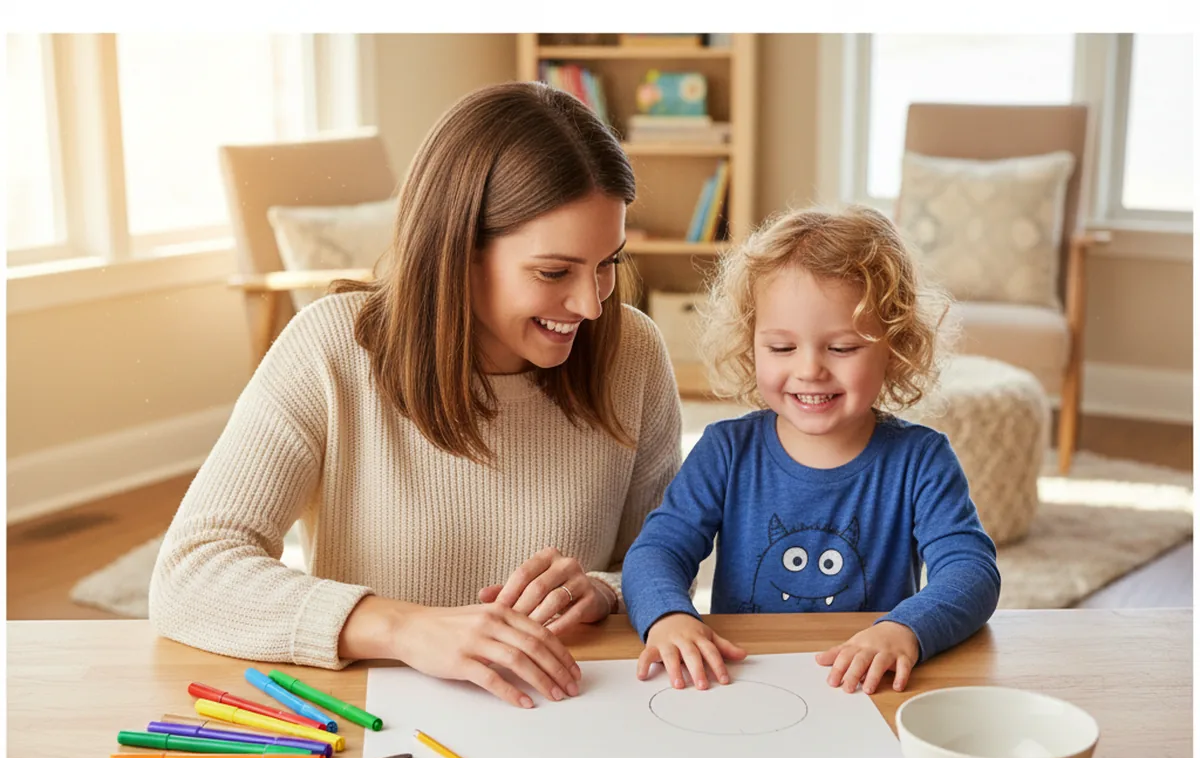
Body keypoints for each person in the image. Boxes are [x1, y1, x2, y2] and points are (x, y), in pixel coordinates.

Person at [149, 82, 683, 710]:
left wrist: (602, 591)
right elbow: (191, 572)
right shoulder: (331, 349)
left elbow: (663, 561)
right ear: (457, 250)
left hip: (564, 712)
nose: (591, 305)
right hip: (375, 726)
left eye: (607, 262)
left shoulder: (634, 353)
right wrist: (403, 627)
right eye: (554, 272)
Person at [621, 205, 1000, 696]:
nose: (810, 370)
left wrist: (905, 629)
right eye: (781, 348)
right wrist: (668, 617)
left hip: (869, 691)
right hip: (741, 681)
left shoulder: (922, 460)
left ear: (896, 345)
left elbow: (971, 571)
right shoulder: (725, 451)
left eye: (841, 348)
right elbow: (656, 551)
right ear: (750, 343)